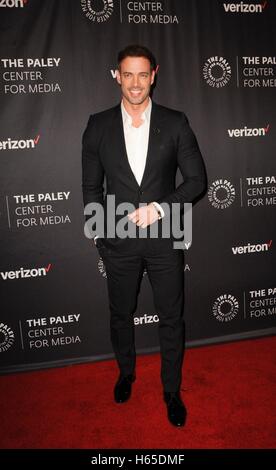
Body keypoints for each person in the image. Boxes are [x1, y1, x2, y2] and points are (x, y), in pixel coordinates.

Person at [82, 44, 206, 427]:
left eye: (142, 74)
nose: (135, 83)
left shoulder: (176, 122)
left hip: (166, 234)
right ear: (116, 76)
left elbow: (198, 181)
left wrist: (160, 208)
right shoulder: (97, 124)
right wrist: (101, 237)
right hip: (117, 240)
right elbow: (91, 190)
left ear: (154, 75)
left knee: (171, 317)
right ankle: (126, 373)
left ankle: (171, 390)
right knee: (121, 314)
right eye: (127, 74)